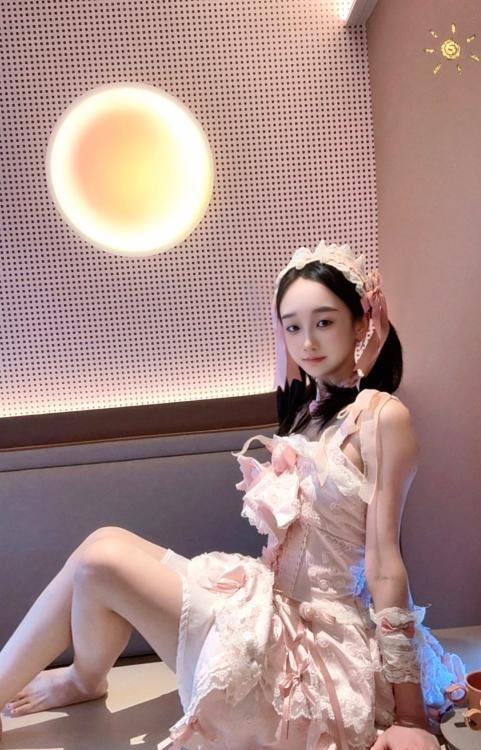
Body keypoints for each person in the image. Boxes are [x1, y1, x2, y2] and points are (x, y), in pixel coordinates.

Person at [0, 240, 465, 750]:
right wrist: (317, 335)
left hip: (316, 642)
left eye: (325, 322)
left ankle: (72, 680)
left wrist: (410, 718)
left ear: (360, 323)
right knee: (100, 551)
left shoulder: (383, 417)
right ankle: (85, 679)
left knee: (101, 557)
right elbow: (298, 365)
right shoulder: (309, 413)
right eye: (293, 327)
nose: (307, 341)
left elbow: (385, 567)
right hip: (268, 603)